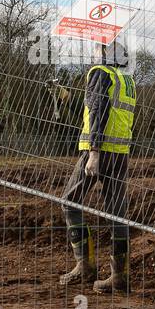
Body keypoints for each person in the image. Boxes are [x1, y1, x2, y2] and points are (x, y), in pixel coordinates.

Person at [59, 38, 137, 293]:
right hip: (120, 153)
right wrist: (67, 98)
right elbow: (99, 109)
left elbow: (98, 113)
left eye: (96, 48)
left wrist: (94, 152)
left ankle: (86, 266)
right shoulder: (126, 80)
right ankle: (119, 277)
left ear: (105, 53)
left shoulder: (99, 72)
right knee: (117, 213)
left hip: (99, 151)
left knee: (70, 202)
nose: (92, 52)